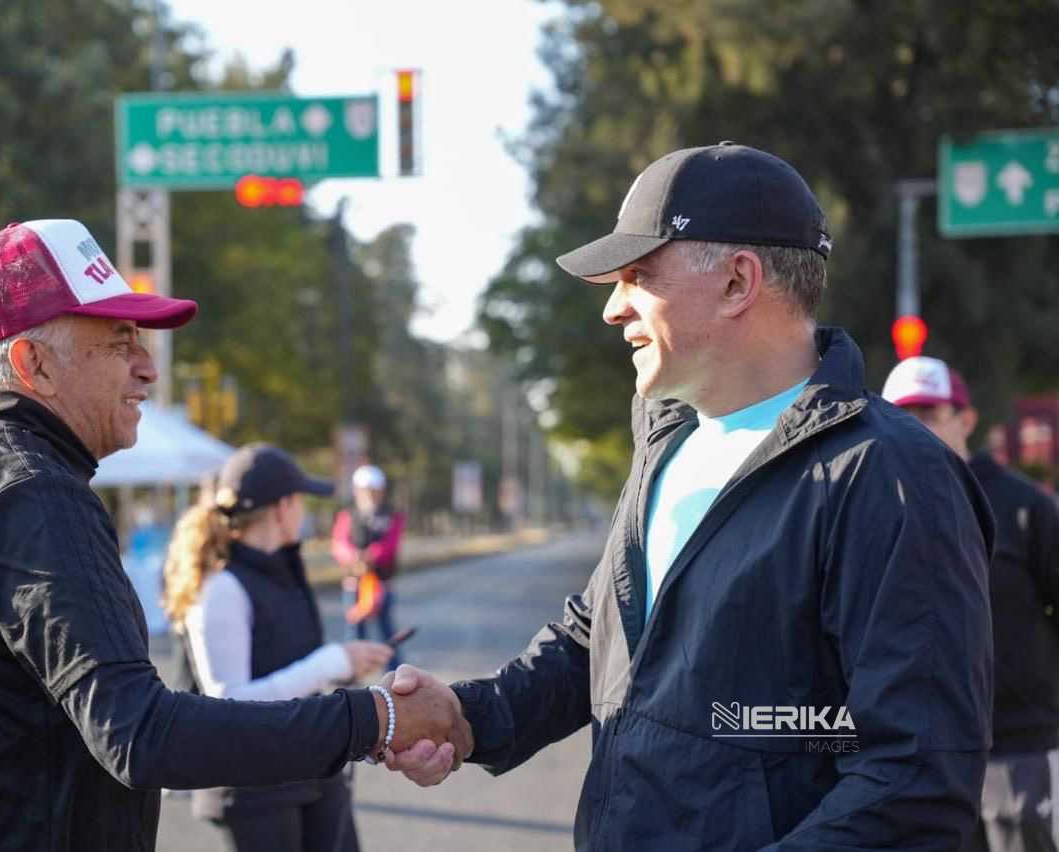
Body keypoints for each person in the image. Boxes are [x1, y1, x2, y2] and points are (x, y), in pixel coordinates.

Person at [385, 143, 996, 850]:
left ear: (739, 282)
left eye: (638, 276)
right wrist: (469, 716)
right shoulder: (666, 436)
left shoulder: (889, 478)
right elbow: (601, 637)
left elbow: (916, 780)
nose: (614, 309)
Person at [0, 219, 471, 851]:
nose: (147, 368)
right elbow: (141, 733)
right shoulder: (34, 493)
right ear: (33, 364)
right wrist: (374, 719)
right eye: (119, 341)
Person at [163, 444, 393, 851]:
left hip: (313, 766)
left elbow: (289, 663)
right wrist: (329, 663)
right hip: (255, 786)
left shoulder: (283, 568)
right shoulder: (222, 588)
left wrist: (345, 668)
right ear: (282, 506)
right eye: (300, 501)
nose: (303, 512)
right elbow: (227, 701)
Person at [883, 356, 1059, 852]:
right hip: (916, 751)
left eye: (931, 413)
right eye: (903, 415)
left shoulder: (1026, 507)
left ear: (967, 419)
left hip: (1016, 743)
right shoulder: (868, 504)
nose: (917, 427)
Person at [332, 465, 406, 664]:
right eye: (365, 491)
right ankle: (352, 683)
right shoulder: (348, 515)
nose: (369, 495)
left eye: (374, 491)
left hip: (382, 584)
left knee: (387, 635)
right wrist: (354, 556)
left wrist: (370, 556)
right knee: (355, 635)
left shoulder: (392, 516)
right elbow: (339, 543)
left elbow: (391, 544)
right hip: (354, 584)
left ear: (381, 491)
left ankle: (395, 678)